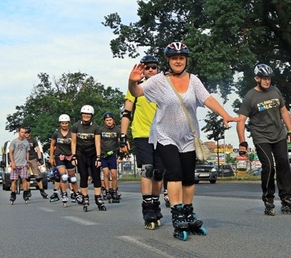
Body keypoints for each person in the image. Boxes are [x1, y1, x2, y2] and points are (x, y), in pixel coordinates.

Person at [128, 42, 239, 240]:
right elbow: (137, 93)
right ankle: (177, 214)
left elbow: (208, 99)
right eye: (173, 58)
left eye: (181, 57)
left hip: (188, 137)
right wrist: (132, 82)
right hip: (165, 135)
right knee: (175, 174)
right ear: (168, 61)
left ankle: (188, 212)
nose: (178, 61)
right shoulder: (158, 81)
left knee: (188, 177)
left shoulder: (194, 80)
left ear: (186, 60)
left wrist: (225, 114)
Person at [236, 63, 291, 216]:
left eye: (269, 78)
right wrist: (242, 142)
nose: (267, 82)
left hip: (279, 134)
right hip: (261, 136)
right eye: (264, 79)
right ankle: (268, 199)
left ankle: (286, 198)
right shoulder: (250, 97)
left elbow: (284, 111)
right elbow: (241, 120)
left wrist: (290, 131)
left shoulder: (276, 91)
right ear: (257, 78)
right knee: (269, 166)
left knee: (283, 163)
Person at [120, 54, 167, 230]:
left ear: (158, 70)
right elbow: (126, 113)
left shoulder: (164, 88)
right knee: (147, 169)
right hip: (142, 134)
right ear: (142, 70)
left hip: (162, 135)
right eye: (146, 67)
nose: (150, 70)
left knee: (158, 172)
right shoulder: (136, 88)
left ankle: (155, 203)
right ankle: (147, 208)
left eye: (153, 67)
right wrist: (123, 136)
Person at [71, 105, 106, 211]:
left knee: (96, 176)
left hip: (93, 154)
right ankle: (85, 197)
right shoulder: (76, 126)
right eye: (84, 114)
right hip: (81, 153)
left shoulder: (96, 127)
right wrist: (73, 156)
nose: (86, 116)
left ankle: (98, 198)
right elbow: (73, 141)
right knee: (84, 176)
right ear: (81, 115)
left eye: (88, 114)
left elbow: (97, 142)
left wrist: (98, 158)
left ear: (91, 116)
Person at [49, 114, 78, 206]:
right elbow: (52, 145)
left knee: (73, 178)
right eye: (63, 123)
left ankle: (75, 193)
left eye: (66, 123)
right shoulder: (56, 133)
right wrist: (51, 157)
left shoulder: (72, 133)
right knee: (64, 177)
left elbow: (75, 144)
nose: (64, 125)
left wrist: (75, 156)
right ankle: (64, 194)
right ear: (60, 123)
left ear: (68, 123)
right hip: (60, 156)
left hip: (69, 156)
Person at [100, 112, 121, 203]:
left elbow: (122, 143)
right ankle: (107, 190)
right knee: (106, 173)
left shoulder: (117, 130)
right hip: (103, 155)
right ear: (104, 122)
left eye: (110, 120)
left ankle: (114, 190)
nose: (109, 122)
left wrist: (121, 156)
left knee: (113, 174)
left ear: (113, 120)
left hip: (112, 155)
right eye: (107, 120)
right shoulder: (101, 130)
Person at [24, 127, 48, 199]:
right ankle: (27, 191)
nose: (26, 134)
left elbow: (37, 149)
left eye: (28, 133)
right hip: (25, 160)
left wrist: (39, 159)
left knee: (37, 176)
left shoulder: (33, 140)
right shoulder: (22, 140)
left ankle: (42, 191)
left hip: (33, 159)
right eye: (25, 133)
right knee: (27, 177)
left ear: (30, 133)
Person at [8, 127, 31, 204]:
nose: (23, 134)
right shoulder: (14, 142)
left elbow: (27, 152)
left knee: (24, 179)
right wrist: (12, 162)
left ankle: (25, 193)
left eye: (24, 132)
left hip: (23, 163)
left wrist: (27, 162)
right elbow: (10, 152)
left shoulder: (26, 142)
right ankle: (13, 194)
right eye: (22, 132)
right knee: (14, 180)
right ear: (18, 132)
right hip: (15, 164)